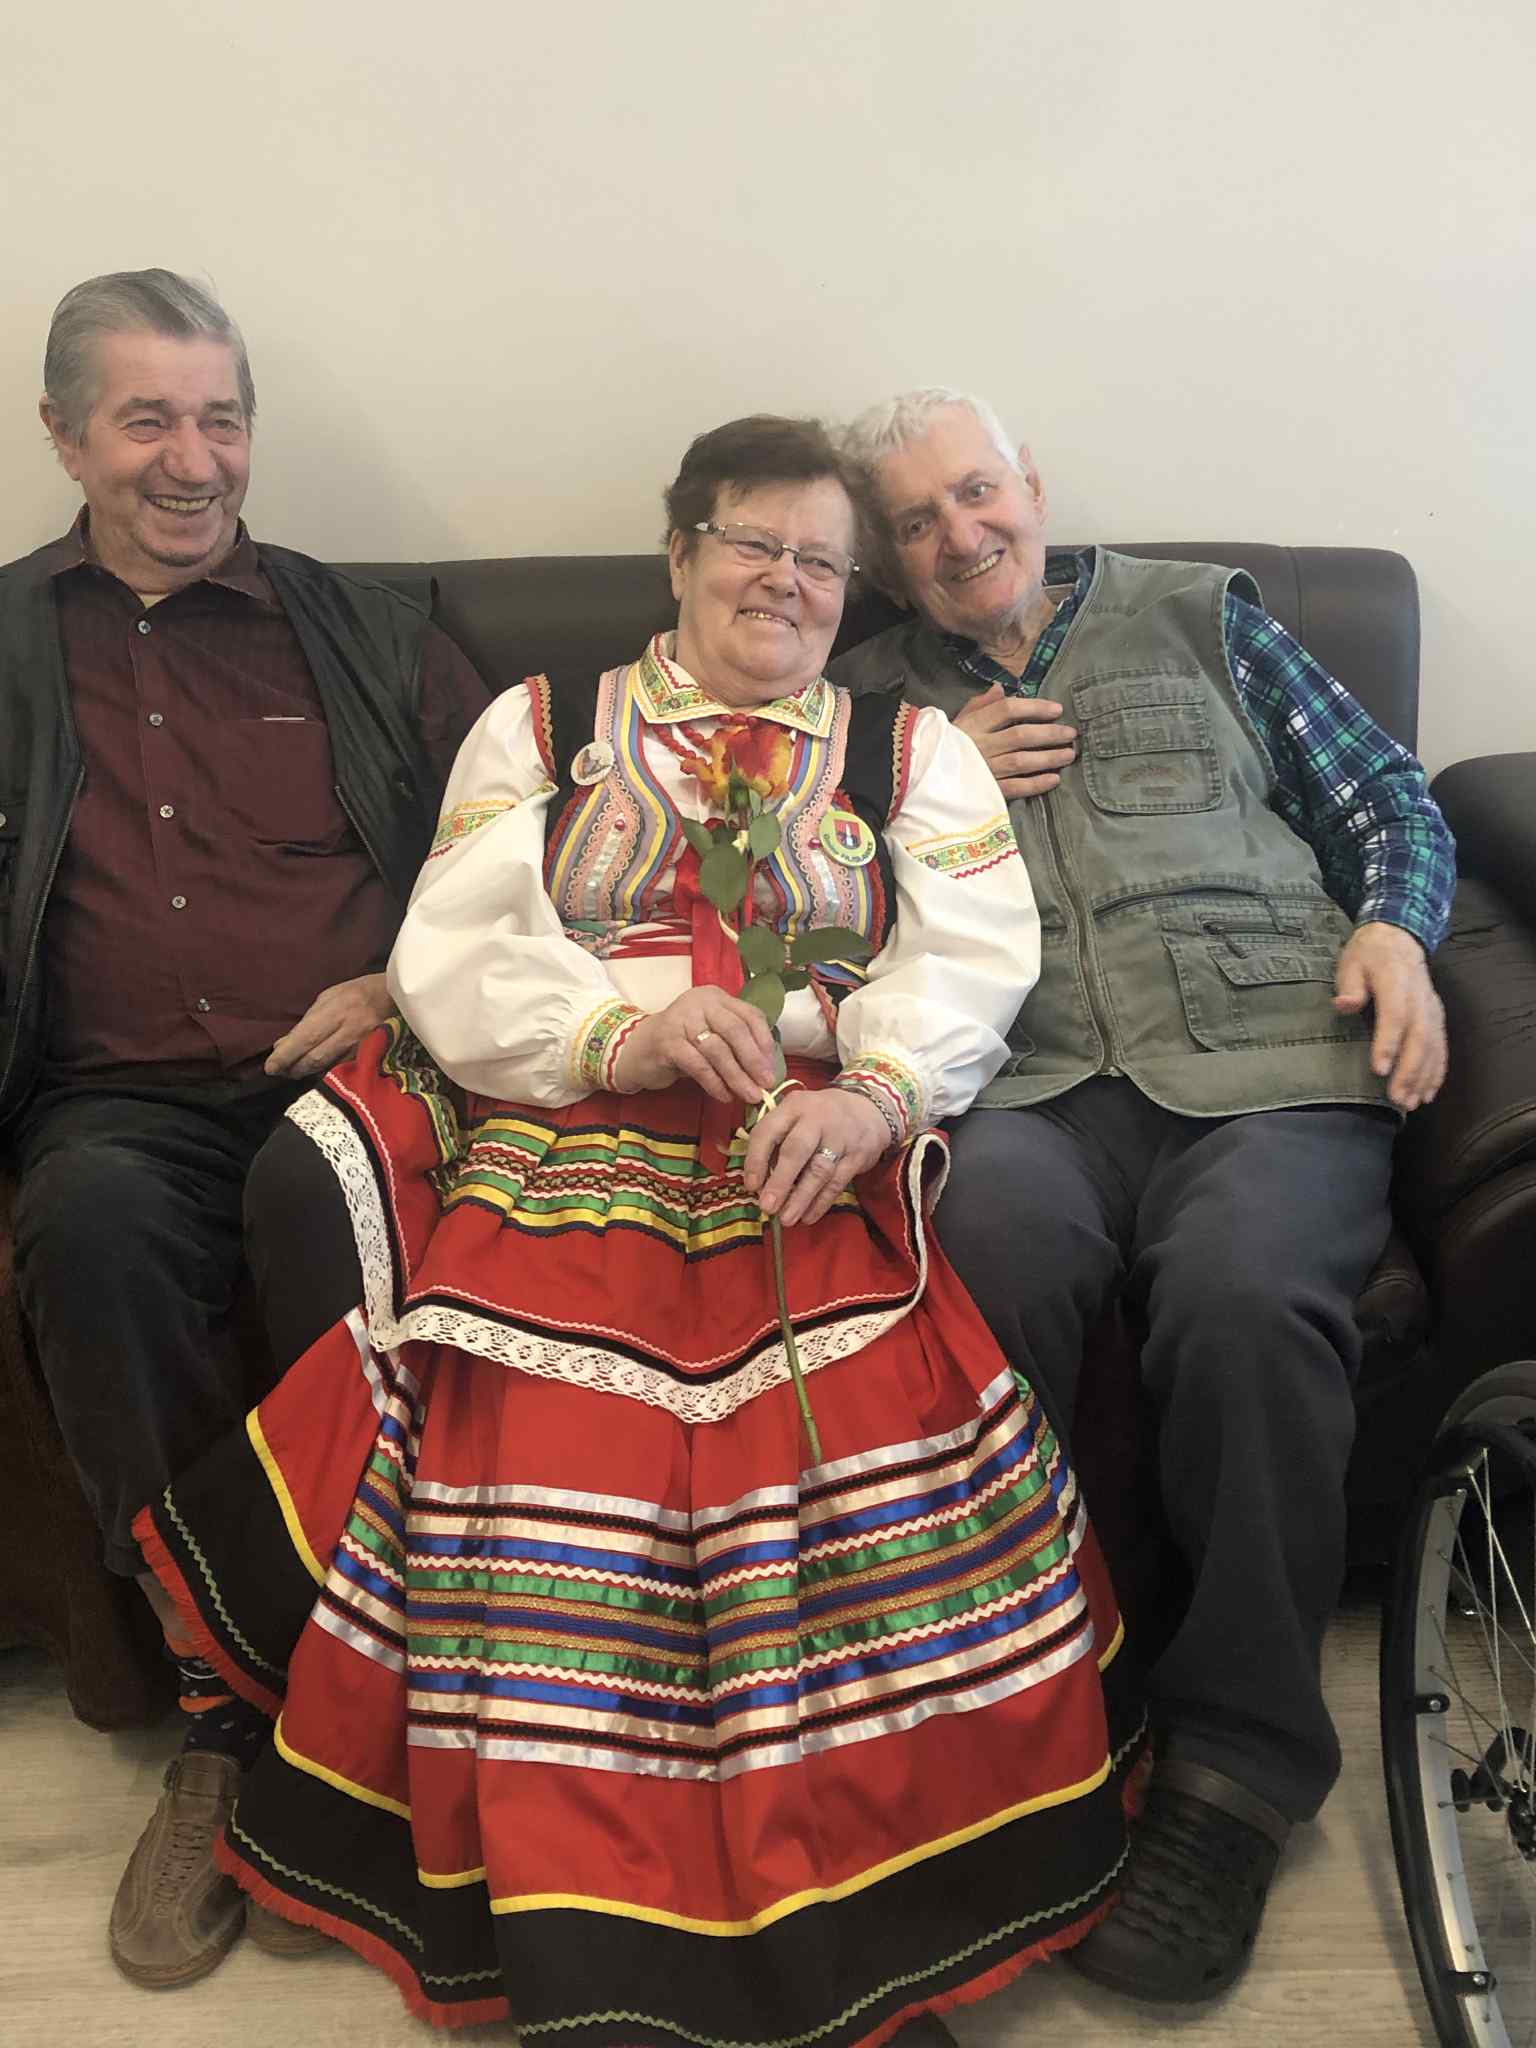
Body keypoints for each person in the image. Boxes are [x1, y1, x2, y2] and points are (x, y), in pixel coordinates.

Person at [135, 416, 1143, 2043]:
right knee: (553, 1444)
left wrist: (873, 1098)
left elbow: (970, 956)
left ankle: (869, 1893)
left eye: (823, 562)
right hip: (574, 1124)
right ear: (679, 555)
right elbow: (460, 945)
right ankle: (595, 1904)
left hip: (808, 1138)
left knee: (861, 1430)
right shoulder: (543, 728)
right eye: (756, 544)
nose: (789, 582)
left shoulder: (911, 750)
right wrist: (623, 1034)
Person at [832, 387, 1455, 2004]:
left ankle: (1237, 1769)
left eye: (979, 491)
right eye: (917, 521)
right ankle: (1044, 1717)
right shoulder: (861, 704)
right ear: (886, 563)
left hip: (1266, 1059)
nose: (962, 534)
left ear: (1032, 485)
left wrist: (1396, 932)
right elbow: (791, 916)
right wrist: (915, 786)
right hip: (1020, 1085)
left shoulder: (1206, 617)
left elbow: (1387, 800)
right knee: (977, 1275)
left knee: (1246, 1301)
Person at [0, 269, 488, 1987]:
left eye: (221, 417)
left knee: (321, 1195)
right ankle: (229, 1720)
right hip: (114, 1096)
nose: (193, 459)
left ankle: (400, 1691)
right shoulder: (7, 642)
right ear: (64, 436)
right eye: (148, 419)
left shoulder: (369, 630)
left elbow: (518, 852)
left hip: (358, 1076)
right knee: (85, 1232)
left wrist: (405, 985)